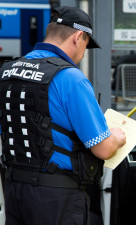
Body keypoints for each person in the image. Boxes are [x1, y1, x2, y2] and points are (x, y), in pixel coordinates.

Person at [0, 6, 126, 225]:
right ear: (78, 37)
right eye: (87, 45)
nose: (84, 53)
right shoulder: (71, 78)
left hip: (14, 190)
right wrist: (117, 136)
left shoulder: (7, 71)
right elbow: (103, 147)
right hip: (57, 197)